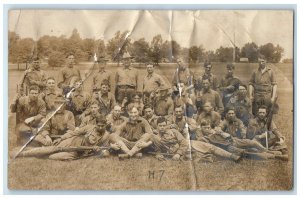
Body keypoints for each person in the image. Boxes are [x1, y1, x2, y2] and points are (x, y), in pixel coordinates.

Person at [18, 114, 111, 161]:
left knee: (51, 157)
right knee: (54, 148)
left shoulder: (106, 136)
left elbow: (104, 151)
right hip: (71, 142)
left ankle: (36, 152)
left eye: (102, 126)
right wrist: (61, 138)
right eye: (98, 125)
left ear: (105, 125)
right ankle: (23, 154)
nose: (100, 127)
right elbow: (73, 133)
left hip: (77, 153)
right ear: (96, 124)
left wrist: (97, 150)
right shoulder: (89, 127)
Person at [195, 119, 288, 161]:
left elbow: (228, 136)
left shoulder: (215, 131)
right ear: (201, 128)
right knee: (250, 153)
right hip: (228, 148)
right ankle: (276, 156)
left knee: (252, 142)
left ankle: (268, 151)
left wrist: (219, 132)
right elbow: (208, 147)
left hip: (233, 140)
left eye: (208, 127)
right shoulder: (202, 137)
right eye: (205, 128)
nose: (207, 129)